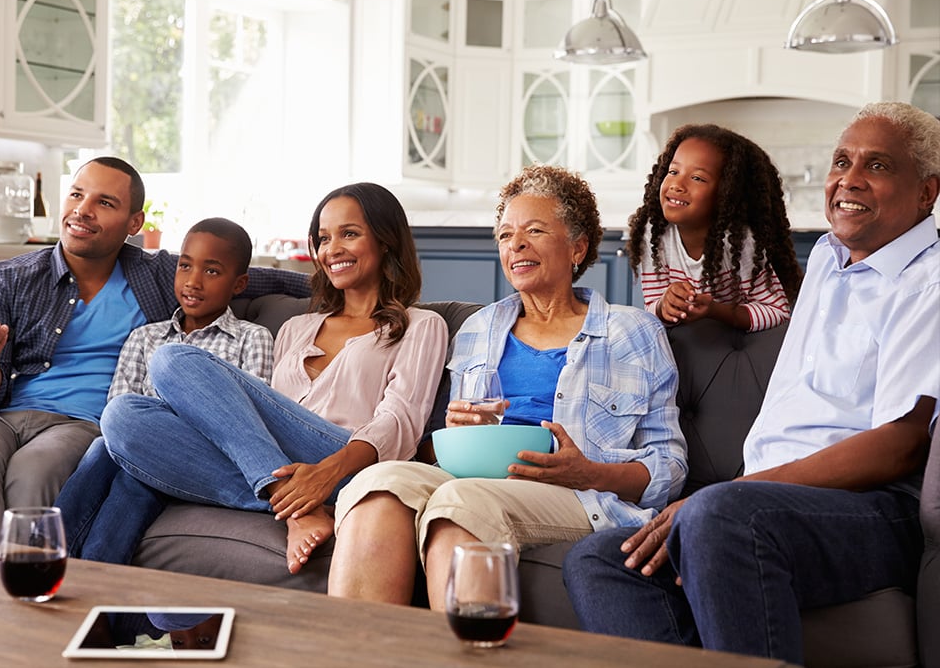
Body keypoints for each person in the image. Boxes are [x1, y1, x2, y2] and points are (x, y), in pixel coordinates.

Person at [562, 102, 939, 664]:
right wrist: (737, 495)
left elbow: (901, 444)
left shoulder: (927, 282)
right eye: (841, 161)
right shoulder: (828, 268)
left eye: (878, 166)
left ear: (928, 192)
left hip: (873, 510)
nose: (848, 180)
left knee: (716, 519)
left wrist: (729, 496)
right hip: (763, 501)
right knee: (598, 559)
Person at [327, 164, 687, 609]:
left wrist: (590, 471)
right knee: (378, 483)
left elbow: (669, 466)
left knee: (461, 500)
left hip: (579, 494)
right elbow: (436, 451)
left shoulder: (631, 332)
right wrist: (451, 436)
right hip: (473, 477)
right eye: (504, 235)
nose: (515, 244)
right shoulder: (479, 328)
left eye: (534, 230)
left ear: (578, 247)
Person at [0, 156, 310, 548]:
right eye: (76, 195)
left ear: (134, 223)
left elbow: (256, 275)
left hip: (79, 425)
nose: (83, 211)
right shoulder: (6, 278)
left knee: (35, 470)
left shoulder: (156, 274)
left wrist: (344, 276)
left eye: (105, 203)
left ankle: (23, 594)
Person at [91, 182, 448, 573]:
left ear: (386, 241)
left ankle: (295, 494)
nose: (333, 250)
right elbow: (257, 415)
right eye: (324, 239)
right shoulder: (296, 327)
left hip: (350, 463)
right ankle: (290, 503)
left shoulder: (421, 325)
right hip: (280, 462)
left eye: (349, 234)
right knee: (122, 416)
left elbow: (400, 422)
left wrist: (328, 472)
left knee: (173, 360)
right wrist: (294, 482)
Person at [54, 217, 274, 563]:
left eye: (212, 272)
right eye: (185, 266)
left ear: (239, 283)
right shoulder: (146, 338)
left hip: (200, 458)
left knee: (133, 476)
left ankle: (53, 563)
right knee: (104, 450)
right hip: (134, 448)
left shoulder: (252, 338)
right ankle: (55, 559)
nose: (193, 281)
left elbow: (249, 420)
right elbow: (117, 412)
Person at [626, 124, 803, 332]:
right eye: (673, 171)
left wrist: (715, 310)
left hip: (736, 339)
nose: (677, 184)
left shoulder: (739, 241)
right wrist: (666, 305)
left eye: (697, 178)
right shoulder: (654, 232)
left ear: (726, 194)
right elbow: (652, 308)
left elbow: (777, 311)